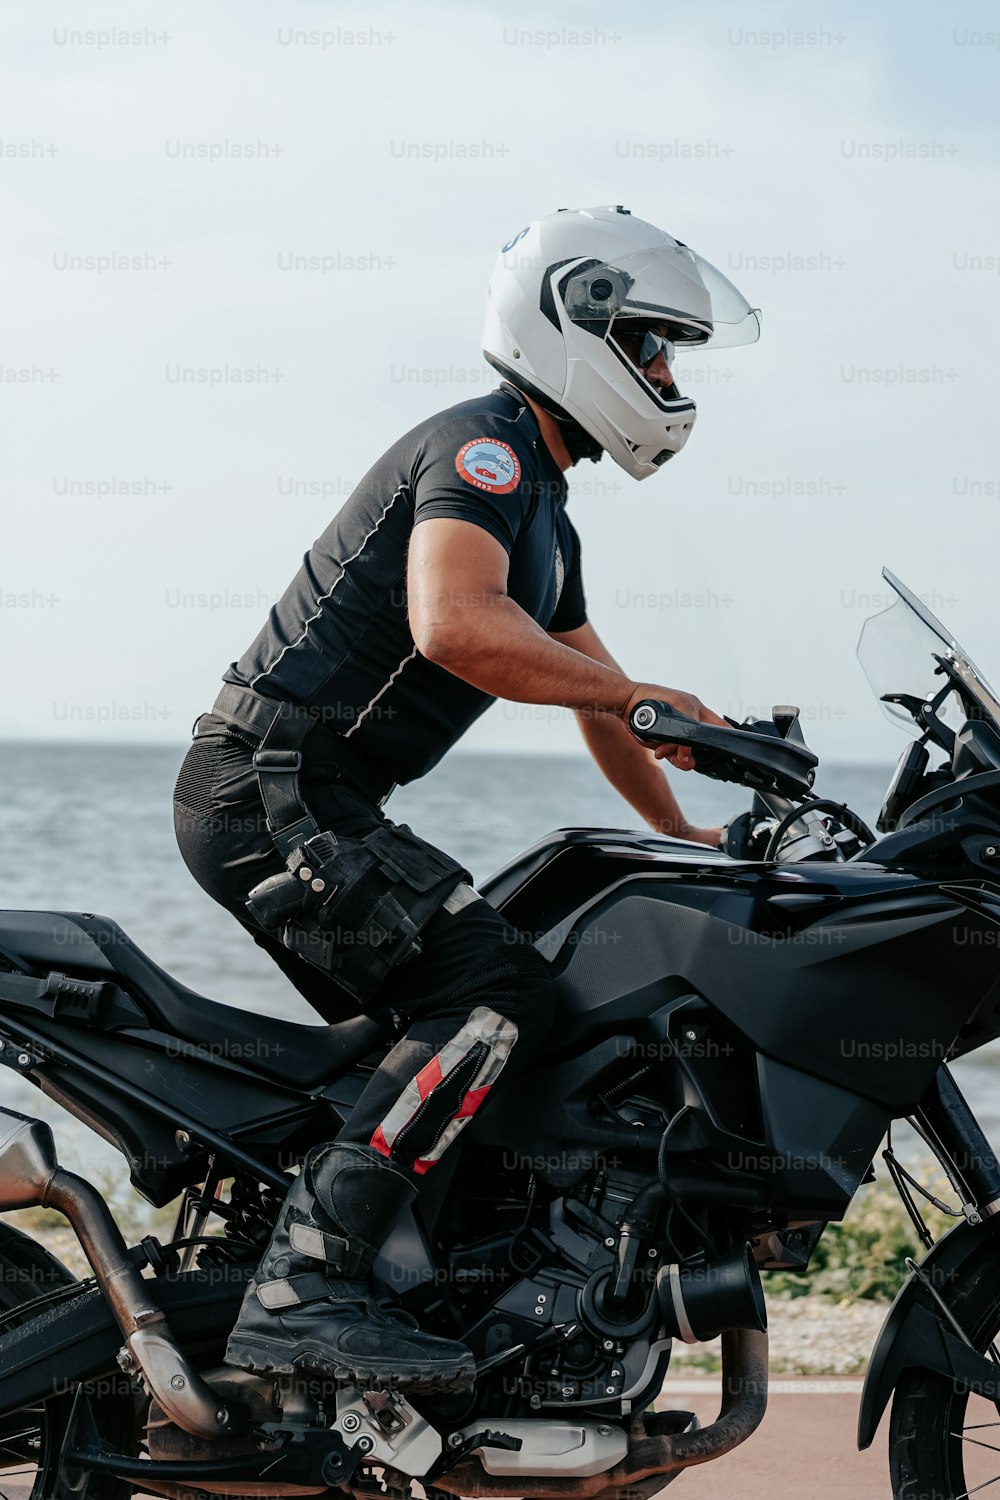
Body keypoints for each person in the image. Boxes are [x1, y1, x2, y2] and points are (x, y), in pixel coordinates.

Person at [172, 204, 760, 1395]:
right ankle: (304, 1293)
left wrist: (686, 833)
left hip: (315, 801)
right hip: (273, 796)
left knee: (488, 996)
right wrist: (649, 697)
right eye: (648, 347)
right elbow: (455, 625)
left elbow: (598, 699)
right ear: (573, 327)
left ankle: (402, 1274)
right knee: (488, 989)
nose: (660, 377)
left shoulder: (547, 510)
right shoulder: (481, 451)